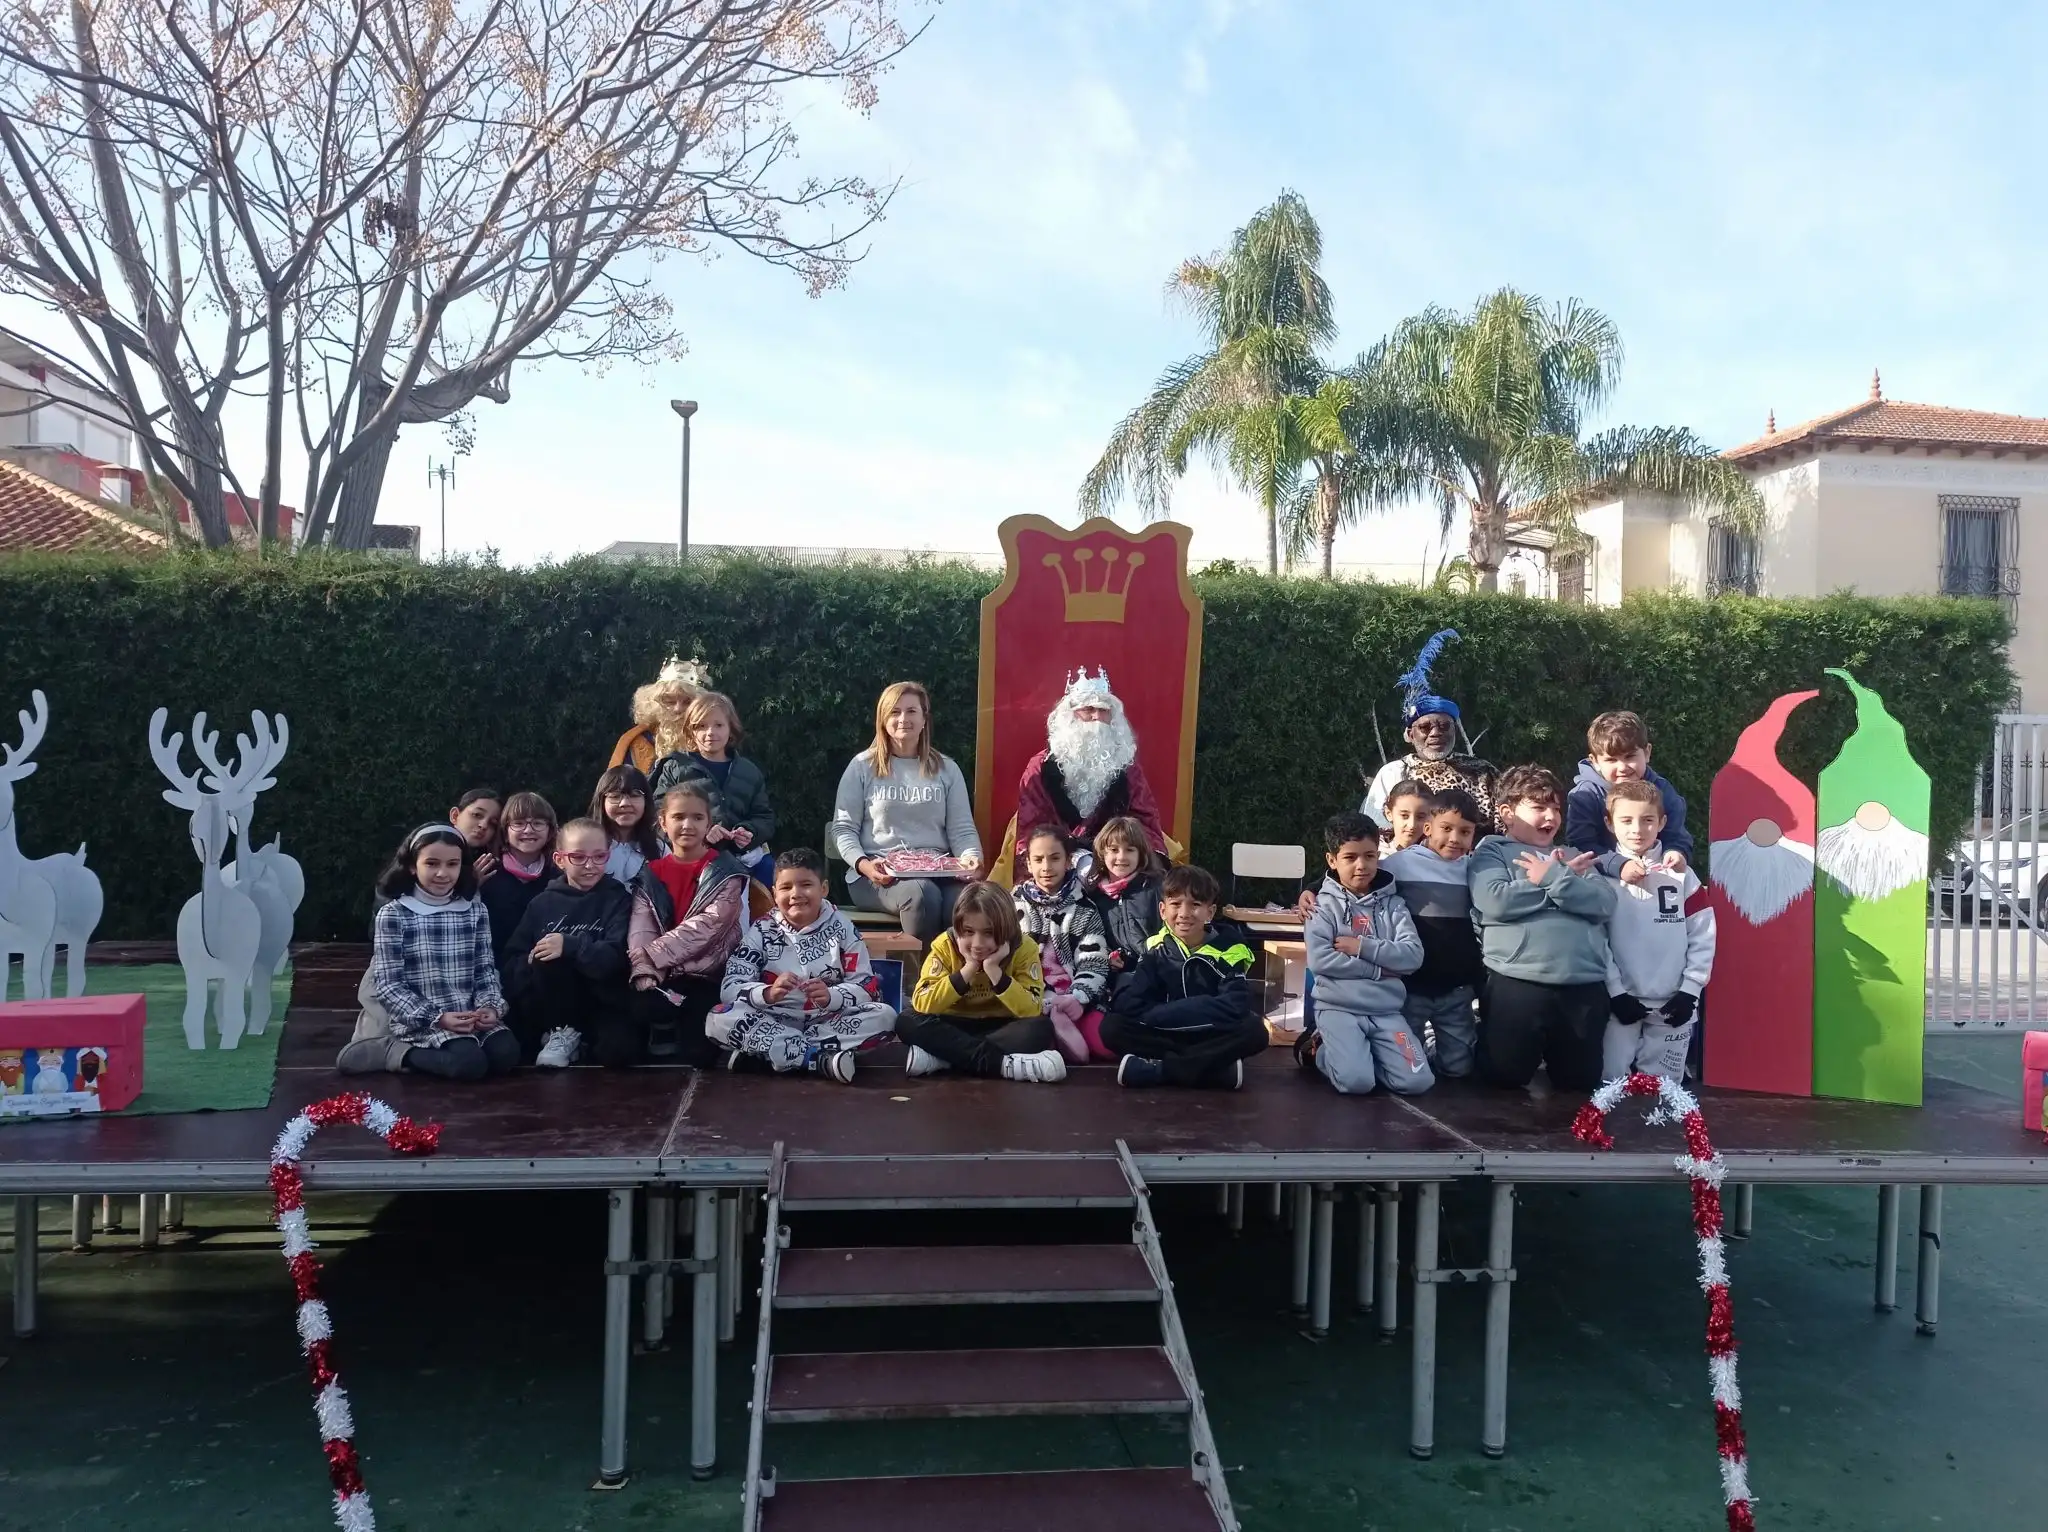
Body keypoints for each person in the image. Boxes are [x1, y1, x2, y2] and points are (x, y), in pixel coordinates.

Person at [1469, 765, 1615, 1092]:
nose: (1551, 816)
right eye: (1538, 807)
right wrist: (1563, 882)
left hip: (1583, 985)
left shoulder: (1573, 856)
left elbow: (1604, 904)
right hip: (1517, 983)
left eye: (1556, 808)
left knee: (1580, 1083)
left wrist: (1552, 876)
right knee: (1503, 1078)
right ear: (1507, 814)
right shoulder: (1492, 850)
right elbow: (1495, 901)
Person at [708, 848, 895, 1082]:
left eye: (806, 885)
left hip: (828, 1021)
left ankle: (770, 1055)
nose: (796, 894)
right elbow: (730, 987)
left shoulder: (844, 928)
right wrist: (767, 993)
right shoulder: (761, 930)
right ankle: (818, 1059)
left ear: (823, 889)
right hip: (772, 1019)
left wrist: (832, 996)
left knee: (886, 1016)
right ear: (774, 893)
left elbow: (866, 987)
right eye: (786, 887)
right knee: (717, 1018)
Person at [831, 681, 985, 941]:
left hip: (939, 872)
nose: (903, 719)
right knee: (922, 895)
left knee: (966, 901)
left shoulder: (947, 769)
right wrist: (864, 864)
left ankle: (962, 968)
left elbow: (962, 829)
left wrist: (972, 858)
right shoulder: (861, 767)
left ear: (924, 719)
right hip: (876, 875)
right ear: (883, 720)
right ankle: (922, 968)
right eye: (895, 712)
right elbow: (843, 828)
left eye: (912, 711)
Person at [366, 823, 518, 1081]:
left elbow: (484, 970)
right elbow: (389, 985)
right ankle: (396, 1052)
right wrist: (437, 1017)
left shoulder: (474, 910)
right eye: (431, 863)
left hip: (468, 1014)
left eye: (452, 864)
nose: (442, 873)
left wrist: (489, 1007)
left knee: (507, 1055)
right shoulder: (394, 914)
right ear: (412, 866)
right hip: (424, 1019)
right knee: (468, 1065)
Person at [1295, 813, 1430, 1095]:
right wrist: (1380, 970)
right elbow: (1322, 961)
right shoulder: (1319, 906)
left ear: (1378, 856)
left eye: (1369, 856)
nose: (1361, 865)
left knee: (1417, 1082)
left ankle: (1364, 1056)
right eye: (1350, 857)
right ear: (1332, 860)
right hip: (1338, 1009)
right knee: (1356, 1083)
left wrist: (1361, 947)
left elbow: (1413, 956)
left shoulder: (1394, 905)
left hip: (1387, 1010)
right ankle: (1317, 1047)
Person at [1102, 864, 1266, 1090]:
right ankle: (1211, 1070)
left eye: (1195, 905)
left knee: (1255, 1031)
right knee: (1111, 1027)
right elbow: (1133, 1002)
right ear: (1162, 910)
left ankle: (1160, 1071)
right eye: (1176, 904)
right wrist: (1178, 1014)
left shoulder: (1230, 949)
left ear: (1210, 912)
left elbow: (1235, 1004)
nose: (1184, 913)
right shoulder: (1155, 949)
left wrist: (1168, 1013)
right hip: (1168, 1035)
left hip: (1210, 1034)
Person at [1600, 779, 1716, 1083]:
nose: (1637, 829)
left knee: (1662, 1090)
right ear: (1609, 824)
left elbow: (1703, 935)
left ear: (1662, 822)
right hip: (1619, 1003)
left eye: (1647, 820)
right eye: (1626, 820)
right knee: (1610, 1083)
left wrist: (1690, 991)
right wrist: (1615, 992)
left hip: (1673, 1002)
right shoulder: (1601, 878)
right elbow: (1596, 940)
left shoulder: (1684, 876)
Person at [626, 783, 751, 1067]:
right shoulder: (650, 873)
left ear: (709, 823)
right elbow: (641, 926)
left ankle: (682, 1025)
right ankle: (664, 1025)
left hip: (707, 973)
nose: (687, 825)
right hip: (664, 971)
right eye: (678, 817)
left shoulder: (727, 871)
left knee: (700, 1056)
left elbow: (708, 927)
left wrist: (652, 957)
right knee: (641, 1010)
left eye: (697, 817)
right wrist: (646, 969)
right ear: (663, 822)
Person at [897, 881, 1065, 1082]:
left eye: (989, 933)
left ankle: (945, 1058)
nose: (977, 944)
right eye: (968, 932)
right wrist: (968, 969)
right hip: (953, 1025)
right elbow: (923, 1003)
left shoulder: (1024, 948)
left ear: (1007, 931)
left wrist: (994, 971)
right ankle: (1004, 1065)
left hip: (1000, 1026)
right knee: (907, 1020)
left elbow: (1031, 1008)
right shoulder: (945, 944)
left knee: (1040, 1028)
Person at [501, 818, 634, 1068]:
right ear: (560, 859)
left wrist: (571, 945)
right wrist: (532, 962)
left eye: (599, 857)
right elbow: (512, 960)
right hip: (553, 1008)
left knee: (618, 1054)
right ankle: (561, 1034)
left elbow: (616, 957)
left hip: (603, 1001)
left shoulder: (619, 900)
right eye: (578, 857)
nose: (589, 865)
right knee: (547, 954)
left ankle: (584, 1041)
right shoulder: (542, 904)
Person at [1013, 669, 1167, 865]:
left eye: (1103, 710)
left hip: (1115, 863)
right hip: (1057, 863)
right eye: (1088, 709)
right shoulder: (1039, 767)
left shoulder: (1127, 767)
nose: (1097, 717)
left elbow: (1145, 822)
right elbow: (1031, 825)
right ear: (1069, 716)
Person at [1384, 787, 1487, 1079]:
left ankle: (1432, 1046)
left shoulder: (1471, 869)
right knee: (1407, 1066)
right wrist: (1313, 888)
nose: (1455, 839)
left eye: (1465, 832)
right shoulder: (1401, 864)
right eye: (1446, 828)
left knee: (1458, 1069)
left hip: (1455, 989)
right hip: (1411, 987)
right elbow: (1362, 878)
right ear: (1428, 828)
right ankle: (1420, 1048)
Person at [1362, 630, 1495, 830]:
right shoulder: (1394, 773)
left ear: (1455, 731)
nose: (1435, 733)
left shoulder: (1482, 771)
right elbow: (1375, 830)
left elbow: (1505, 823)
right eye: (1425, 727)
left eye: (1444, 726)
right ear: (1410, 734)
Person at [651, 690, 776, 884]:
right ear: (690, 730)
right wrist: (700, 835)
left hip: (746, 861)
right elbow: (658, 817)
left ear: (731, 728)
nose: (710, 732)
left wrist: (749, 831)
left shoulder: (749, 771)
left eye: (718, 725)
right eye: (701, 726)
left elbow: (765, 818)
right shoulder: (676, 767)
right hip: (691, 862)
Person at [1013, 825, 1113, 1063]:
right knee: (1033, 1036)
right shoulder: (1012, 906)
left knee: (1106, 1045)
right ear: (1028, 864)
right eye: (1038, 859)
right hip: (1028, 995)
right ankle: (1051, 1032)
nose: (1046, 867)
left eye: (1055, 858)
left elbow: (1094, 963)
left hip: (1072, 998)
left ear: (1068, 862)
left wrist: (1078, 997)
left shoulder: (1085, 909)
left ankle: (1061, 1027)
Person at [1566, 711, 1694, 866]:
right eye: (1611, 760)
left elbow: (1676, 834)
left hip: (1655, 869)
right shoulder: (1585, 795)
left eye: (1630, 757)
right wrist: (1619, 866)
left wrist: (1676, 851)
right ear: (1595, 761)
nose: (1622, 767)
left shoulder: (1662, 790)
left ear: (1647, 753)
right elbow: (1581, 845)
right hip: (1601, 876)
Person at [481, 791, 559, 958]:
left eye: (537, 823)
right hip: (495, 964)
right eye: (518, 823)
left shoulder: (560, 875)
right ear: (505, 831)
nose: (528, 830)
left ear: (550, 831)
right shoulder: (487, 873)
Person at [1085, 815, 1164, 975]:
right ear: (1102, 853)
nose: (1121, 857)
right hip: (1119, 976)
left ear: (1141, 854)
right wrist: (1109, 957)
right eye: (1114, 850)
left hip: (1159, 969)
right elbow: (1092, 940)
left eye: (1130, 850)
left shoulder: (1156, 887)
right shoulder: (1094, 896)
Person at [609, 655, 707, 776]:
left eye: (687, 702)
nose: (678, 709)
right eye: (670, 702)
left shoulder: (713, 739)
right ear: (655, 704)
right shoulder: (639, 742)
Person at [592, 764, 663, 886]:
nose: (624, 803)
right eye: (615, 796)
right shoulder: (587, 845)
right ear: (601, 802)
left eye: (634, 795)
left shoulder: (659, 848)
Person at [450, 787, 505, 881]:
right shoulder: (428, 848)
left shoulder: (493, 871)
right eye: (477, 815)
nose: (484, 825)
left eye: (493, 823)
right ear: (455, 815)